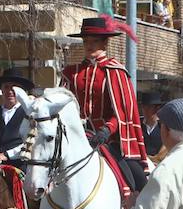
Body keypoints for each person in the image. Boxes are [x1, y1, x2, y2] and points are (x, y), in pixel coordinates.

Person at [61, 17, 148, 192]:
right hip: (77, 136)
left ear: (105, 43)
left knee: (137, 178)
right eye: (86, 41)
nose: (89, 46)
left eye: (94, 41)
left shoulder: (115, 71)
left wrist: (107, 129)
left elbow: (123, 111)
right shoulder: (71, 73)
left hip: (109, 139)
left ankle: (139, 206)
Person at [0, 69, 34, 164]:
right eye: (6, 87)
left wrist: (6, 155)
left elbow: (31, 143)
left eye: (14, 88)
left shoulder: (29, 115)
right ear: (2, 90)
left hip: (20, 168)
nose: (10, 91)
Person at [139, 91, 164, 159]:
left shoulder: (164, 128)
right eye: (153, 107)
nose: (157, 110)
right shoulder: (136, 127)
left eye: (158, 107)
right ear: (144, 108)